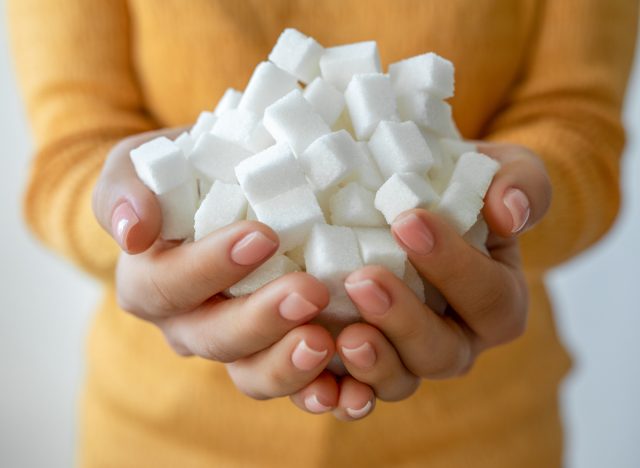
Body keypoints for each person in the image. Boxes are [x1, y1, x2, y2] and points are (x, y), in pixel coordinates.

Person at [7, 1, 638, 466]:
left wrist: (514, 212)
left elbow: (578, 124)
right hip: (163, 440)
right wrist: (136, 235)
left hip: (483, 439)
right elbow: (72, 155)